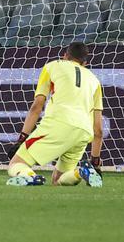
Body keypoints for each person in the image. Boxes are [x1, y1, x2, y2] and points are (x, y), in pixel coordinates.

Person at [7, 41, 104, 188]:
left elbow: (37, 106)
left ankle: (30, 177)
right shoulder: (95, 81)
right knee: (58, 180)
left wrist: (22, 138)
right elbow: (98, 129)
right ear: (85, 62)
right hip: (84, 132)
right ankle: (81, 172)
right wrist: (95, 162)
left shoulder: (52, 66)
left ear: (65, 56)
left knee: (16, 163)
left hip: (59, 122)